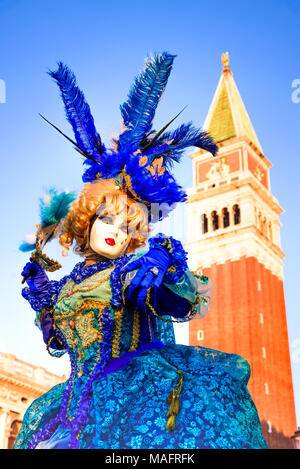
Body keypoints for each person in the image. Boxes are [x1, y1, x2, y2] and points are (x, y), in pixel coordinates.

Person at [14, 52, 267, 449]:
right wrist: (45, 301)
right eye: (108, 220)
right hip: (69, 405)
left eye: (128, 226)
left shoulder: (131, 272)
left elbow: (178, 301)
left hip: (134, 397)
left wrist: (165, 263)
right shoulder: (67, 289)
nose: (117, 232)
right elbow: (60, 344)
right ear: (86, 222)